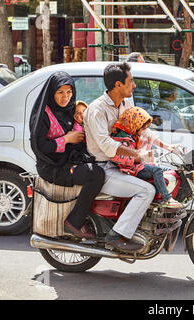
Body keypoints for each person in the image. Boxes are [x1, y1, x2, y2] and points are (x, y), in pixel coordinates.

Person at [83, 62, 156, 252]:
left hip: (125, 165)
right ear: (118, 85)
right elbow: (106, 145)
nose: (134, 85)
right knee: (146, 191)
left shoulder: (126, 104)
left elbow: (140, 129)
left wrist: (168, 146)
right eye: (130, 81)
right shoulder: (97, 110)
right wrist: (136, 154)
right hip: (105, 168)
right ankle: (117, 235)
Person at [29, 71, 105, 240]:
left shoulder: (71, 110)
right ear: (51, 93)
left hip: (70, 161)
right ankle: (74, 222)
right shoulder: (43, 115)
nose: (65, 97)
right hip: (53, 167)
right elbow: (40, 146)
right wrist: (66, 139)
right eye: (60, 92)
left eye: (69, 92)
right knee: (96, 174)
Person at [110, 106, 184, 209]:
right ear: (134, 125)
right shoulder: (122, 139)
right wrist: (140, 157)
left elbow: (152, 137)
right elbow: (120, 158)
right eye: (143, 128)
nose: (145, 131)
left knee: (170, 171)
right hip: (132, 169)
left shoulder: (134, 135)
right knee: (157, 170)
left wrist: (168, 147)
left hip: (139, 166)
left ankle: (162, 197)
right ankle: (167, 199)